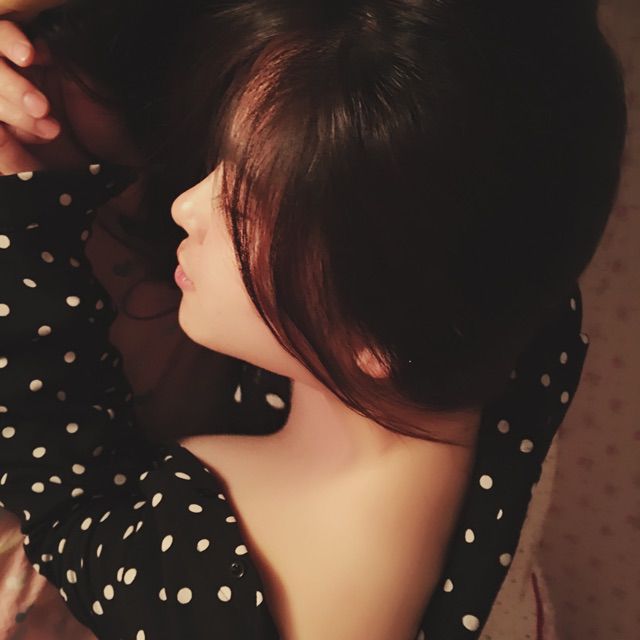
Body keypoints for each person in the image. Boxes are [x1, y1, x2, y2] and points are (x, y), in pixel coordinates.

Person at [0, 1, 627, 638]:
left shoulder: (262, 598)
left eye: (241, 213)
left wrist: (22, 223)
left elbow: (69, 500)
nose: (187, 206)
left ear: (385, 329)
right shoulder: (495, 269)